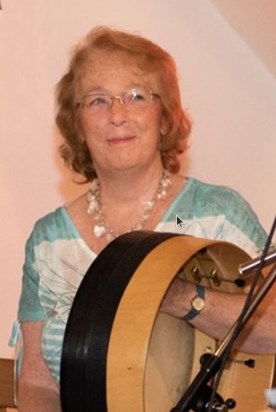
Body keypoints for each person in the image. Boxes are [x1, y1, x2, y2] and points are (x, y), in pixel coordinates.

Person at [10, 26, 275, 412]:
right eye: (97, 100)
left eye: (136, 96)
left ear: (165, 117)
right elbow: (37, 382)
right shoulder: (48, 241)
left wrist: (181, 296)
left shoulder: (216, 213)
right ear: (78, 125)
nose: (117, 115)